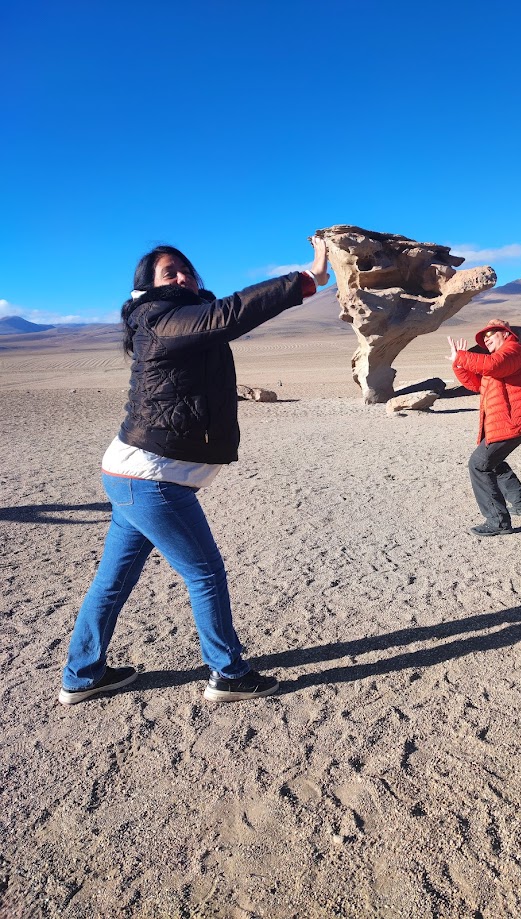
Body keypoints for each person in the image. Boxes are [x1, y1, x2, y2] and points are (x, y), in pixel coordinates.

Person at [59, 239, 330, 705]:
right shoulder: (162, 319)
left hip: (133, 474)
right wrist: (306, 278)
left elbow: (216, 322)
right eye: (170, 272)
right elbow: (227, 314)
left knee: (113, 582)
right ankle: (228, 673)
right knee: (205, 573)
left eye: (186, 270)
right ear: (148, 285)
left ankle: (83, 675)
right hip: (151, 478)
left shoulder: (183, 319)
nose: (183, 277)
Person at [447, 318, 521, 537]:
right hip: (504, 420)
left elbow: (492, 366)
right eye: (484, 338)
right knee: (493, 462)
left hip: (513, 420)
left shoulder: (514, 351)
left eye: (491, 334)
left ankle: (498, 522)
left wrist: (462, 356)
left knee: (479, 465)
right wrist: (458, 364)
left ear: (506, 334)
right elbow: (477, 384)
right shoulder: (500, 359)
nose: (487, 339)